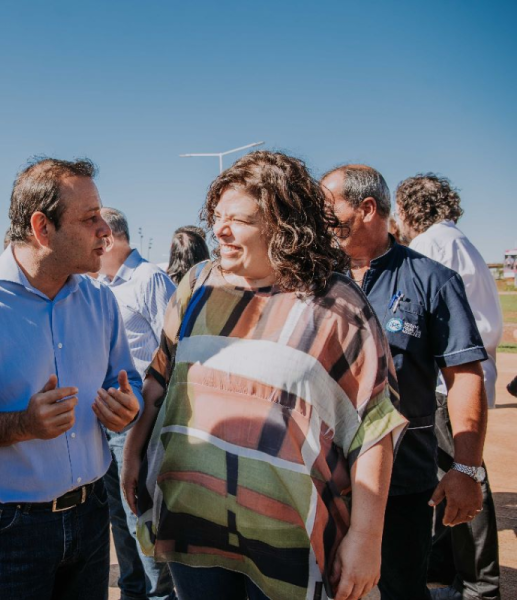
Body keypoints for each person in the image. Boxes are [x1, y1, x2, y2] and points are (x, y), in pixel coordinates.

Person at [123, 151, 407, 600]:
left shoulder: (335, 306)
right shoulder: (197, 286)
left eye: (239, 220)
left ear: (284, 224)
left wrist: (366, 539)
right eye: (217, 216)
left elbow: (374, 429)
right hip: (192, 523)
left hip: (292, 538)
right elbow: (160, 378)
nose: (219, 230)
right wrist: (133, 454)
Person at [0, 157, 141, 600]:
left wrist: (126, 410)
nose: (105, 232)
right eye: (90, 218)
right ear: (42, 228)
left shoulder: (101, 302)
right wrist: (21, 425)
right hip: (5, 529)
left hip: (93, 514)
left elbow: (122, 380)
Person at [322, 165, 488, 600]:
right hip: (320, 479)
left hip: (401, 482)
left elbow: (464, 377)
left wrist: (465, 468)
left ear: (367, 209)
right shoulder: (314, 281)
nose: (318, 218)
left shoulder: (432, 280)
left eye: (328, 207)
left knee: (399, 588)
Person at [395, 173, 502, 600]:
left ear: (407, 210)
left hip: (445, 383)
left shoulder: (428, 247)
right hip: (465, 372)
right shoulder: (460, 240)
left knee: (463, 475)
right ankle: (448, 565)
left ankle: (479, 586)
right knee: (451, 474)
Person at [98, 208, 176, 600]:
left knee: (141, 518)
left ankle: (158, 595)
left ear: (108, 238)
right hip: (107, 421)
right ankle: (133, 593)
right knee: (118, 519)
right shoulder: (99, 286)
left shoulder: (150, 280)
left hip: (143, 422)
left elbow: (174, 352)